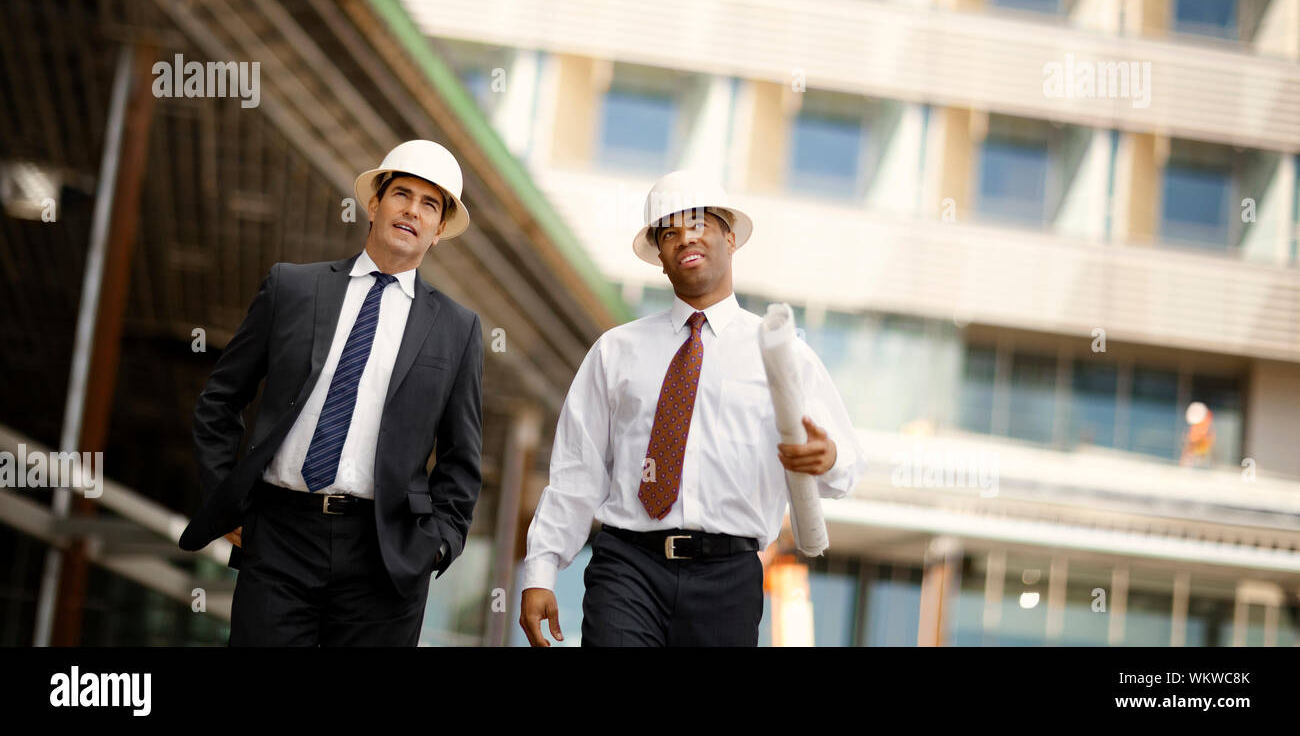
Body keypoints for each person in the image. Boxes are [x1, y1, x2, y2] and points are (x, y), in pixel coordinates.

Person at [519, 170, 865, 647]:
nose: (685, 238)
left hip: (728, 578)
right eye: (669, 232)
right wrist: (540, 570)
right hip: (627, 567)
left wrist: (827, 459)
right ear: (660, 258)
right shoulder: (615, 350)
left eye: (699, 223)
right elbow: (578, 471)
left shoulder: (782, 354)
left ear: (730, 236)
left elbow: (843, 469)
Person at [179, 140, 484, 646]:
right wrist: (225, 499)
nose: (412, 209)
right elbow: (220, 399)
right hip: (279, 536)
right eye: (401, 194)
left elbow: (461, 458)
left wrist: (438, 545)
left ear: (438, 233)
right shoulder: (292, 288)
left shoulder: (458, 329)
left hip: (387, 553)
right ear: (373, 206)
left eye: (430, 204)